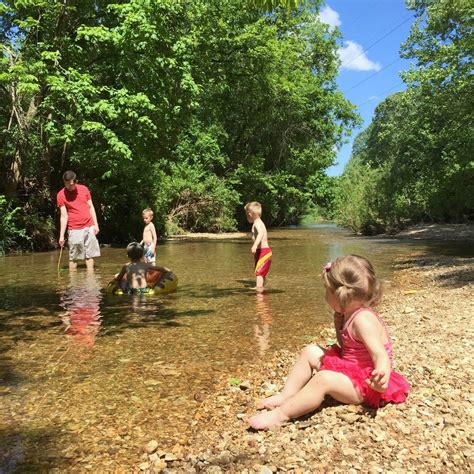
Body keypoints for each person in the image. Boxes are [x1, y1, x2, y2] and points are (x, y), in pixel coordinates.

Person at [247, 254, 410, 430]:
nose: (325, 293)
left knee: (323, 379)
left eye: (326, 289)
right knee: (310, 350)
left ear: (339, 295)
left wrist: (381, 377)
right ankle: (286, 395)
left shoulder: (363, 320)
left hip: (366, 385)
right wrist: (337, 322)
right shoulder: (347, 313)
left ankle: (281, 415)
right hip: (352, 369)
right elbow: (346, 346)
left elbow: (380, 354)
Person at [57, 170, 100, 271]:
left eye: (71, 184)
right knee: (74, 257)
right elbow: (64, 216)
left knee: (90, 255)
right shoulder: (60, 195)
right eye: (66, 184)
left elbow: (91, 207)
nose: (69, 187)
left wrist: (96, 224)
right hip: (74, 228)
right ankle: (73, 281)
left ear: (76, 182)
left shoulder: (84, 189)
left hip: (89, 225)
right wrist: (61, 236)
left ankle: (91, 277)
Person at [244, 201, 272, 291]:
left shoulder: (256, 223)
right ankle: (262, 288)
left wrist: (255, 245)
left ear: (250, 214)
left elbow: (260, 233)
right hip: (261, 252)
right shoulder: (259, 222)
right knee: (260, 271)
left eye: (246, 215)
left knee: (259, 272)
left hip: (264, 251)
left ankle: (259, 289)